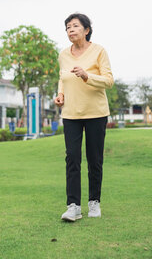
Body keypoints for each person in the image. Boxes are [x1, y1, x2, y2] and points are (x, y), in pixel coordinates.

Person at [54, 13, 114, 222]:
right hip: (71, 113)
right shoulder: (63, 54)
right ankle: (73, 206)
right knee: (72, 158)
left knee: (94, 159)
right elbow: (63, 77)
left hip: (96, 113)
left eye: (75, 26)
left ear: (86, 30)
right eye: (67, 27)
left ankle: (94, 202)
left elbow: (108, 80)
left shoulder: (99, 51)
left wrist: (88, 76)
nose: (71, 30)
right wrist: (60, 94)